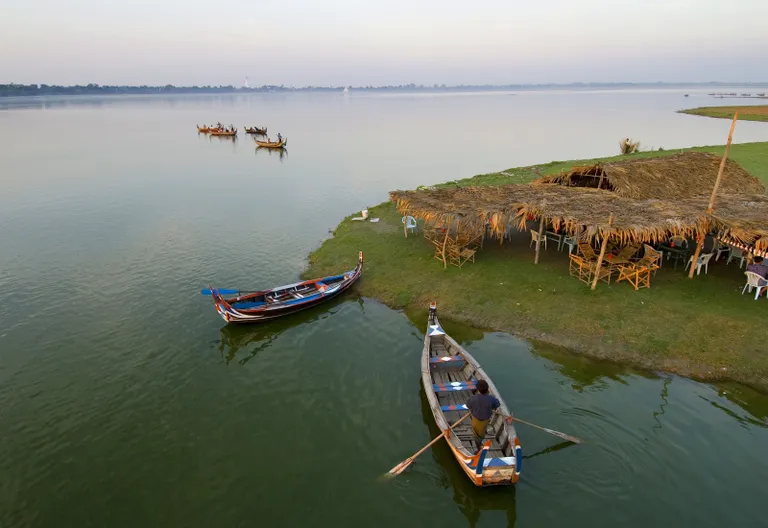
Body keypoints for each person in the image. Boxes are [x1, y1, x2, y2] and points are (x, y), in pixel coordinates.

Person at [466, 379, 500, 450]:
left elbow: (468, 405)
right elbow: (497, 404)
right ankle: (480, 444)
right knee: (481, 433)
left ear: (478, 389)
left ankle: (479, 449)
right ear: (487, 389)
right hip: (485, 421)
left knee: (477, 435)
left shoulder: (473, 398)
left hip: (475, 420)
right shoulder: (491, 399)